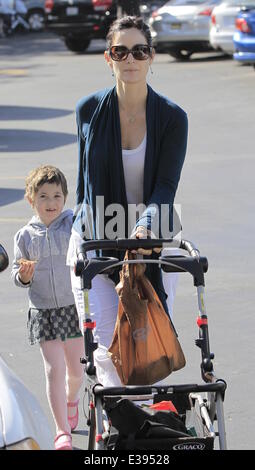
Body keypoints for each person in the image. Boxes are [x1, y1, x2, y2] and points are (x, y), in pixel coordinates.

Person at [67, 16, 188, 387]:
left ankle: (142, 429)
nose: (130, 58)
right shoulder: (88, 109)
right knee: (107, 344)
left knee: (143, 340)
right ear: (109, 58)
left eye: (139, 50)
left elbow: (166, 186)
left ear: (152, 57)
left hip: (149, 237)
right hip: (97, 237)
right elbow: (83, 182)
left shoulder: (172, 118)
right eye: (121, 51)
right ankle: (120, 433)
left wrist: (144, 227)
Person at [11, 165, 84, 451]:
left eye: (56, 196)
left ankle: (72, 399)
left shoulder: (73, 224)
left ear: (64, 198)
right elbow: (18, 275)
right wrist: (24, 276)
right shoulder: (25, 236)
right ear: (31, 200)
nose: (51, 202)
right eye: (43, 196)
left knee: (76, 371)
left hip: (73, 307)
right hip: (44, 311)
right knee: (53, 370)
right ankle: (61, 431)